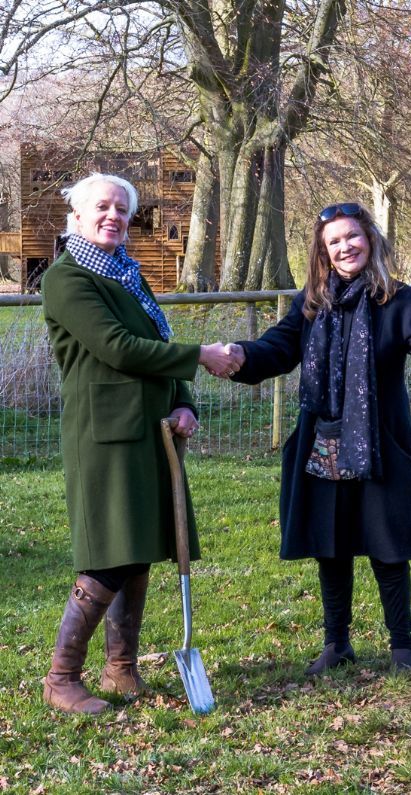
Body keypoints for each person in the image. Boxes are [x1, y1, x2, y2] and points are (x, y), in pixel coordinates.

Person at [224, 202, 411, 673]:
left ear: (371, 239)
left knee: (387, 544)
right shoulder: (312, 303)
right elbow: (278, 349)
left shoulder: (397, 301)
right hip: (324, 441)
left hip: (378, 443)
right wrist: (239, 353)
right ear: (323, 253)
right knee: (331, 542)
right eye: (334, 242)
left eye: (352, 237)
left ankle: (401, 648)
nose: (345, 247)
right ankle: (336, 643)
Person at [40, 172, 240, 714]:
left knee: (141, 548)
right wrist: (201, 356)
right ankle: (61, 678)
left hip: (153, 429)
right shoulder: (66, 277)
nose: (113, 216)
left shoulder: (127, 272)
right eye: (101, 207)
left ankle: (121, 668)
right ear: (77, 217)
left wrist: (184, 403)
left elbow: (156, 340)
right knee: (109, 549)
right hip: (105, 434)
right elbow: (118, 347)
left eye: (122, 209)